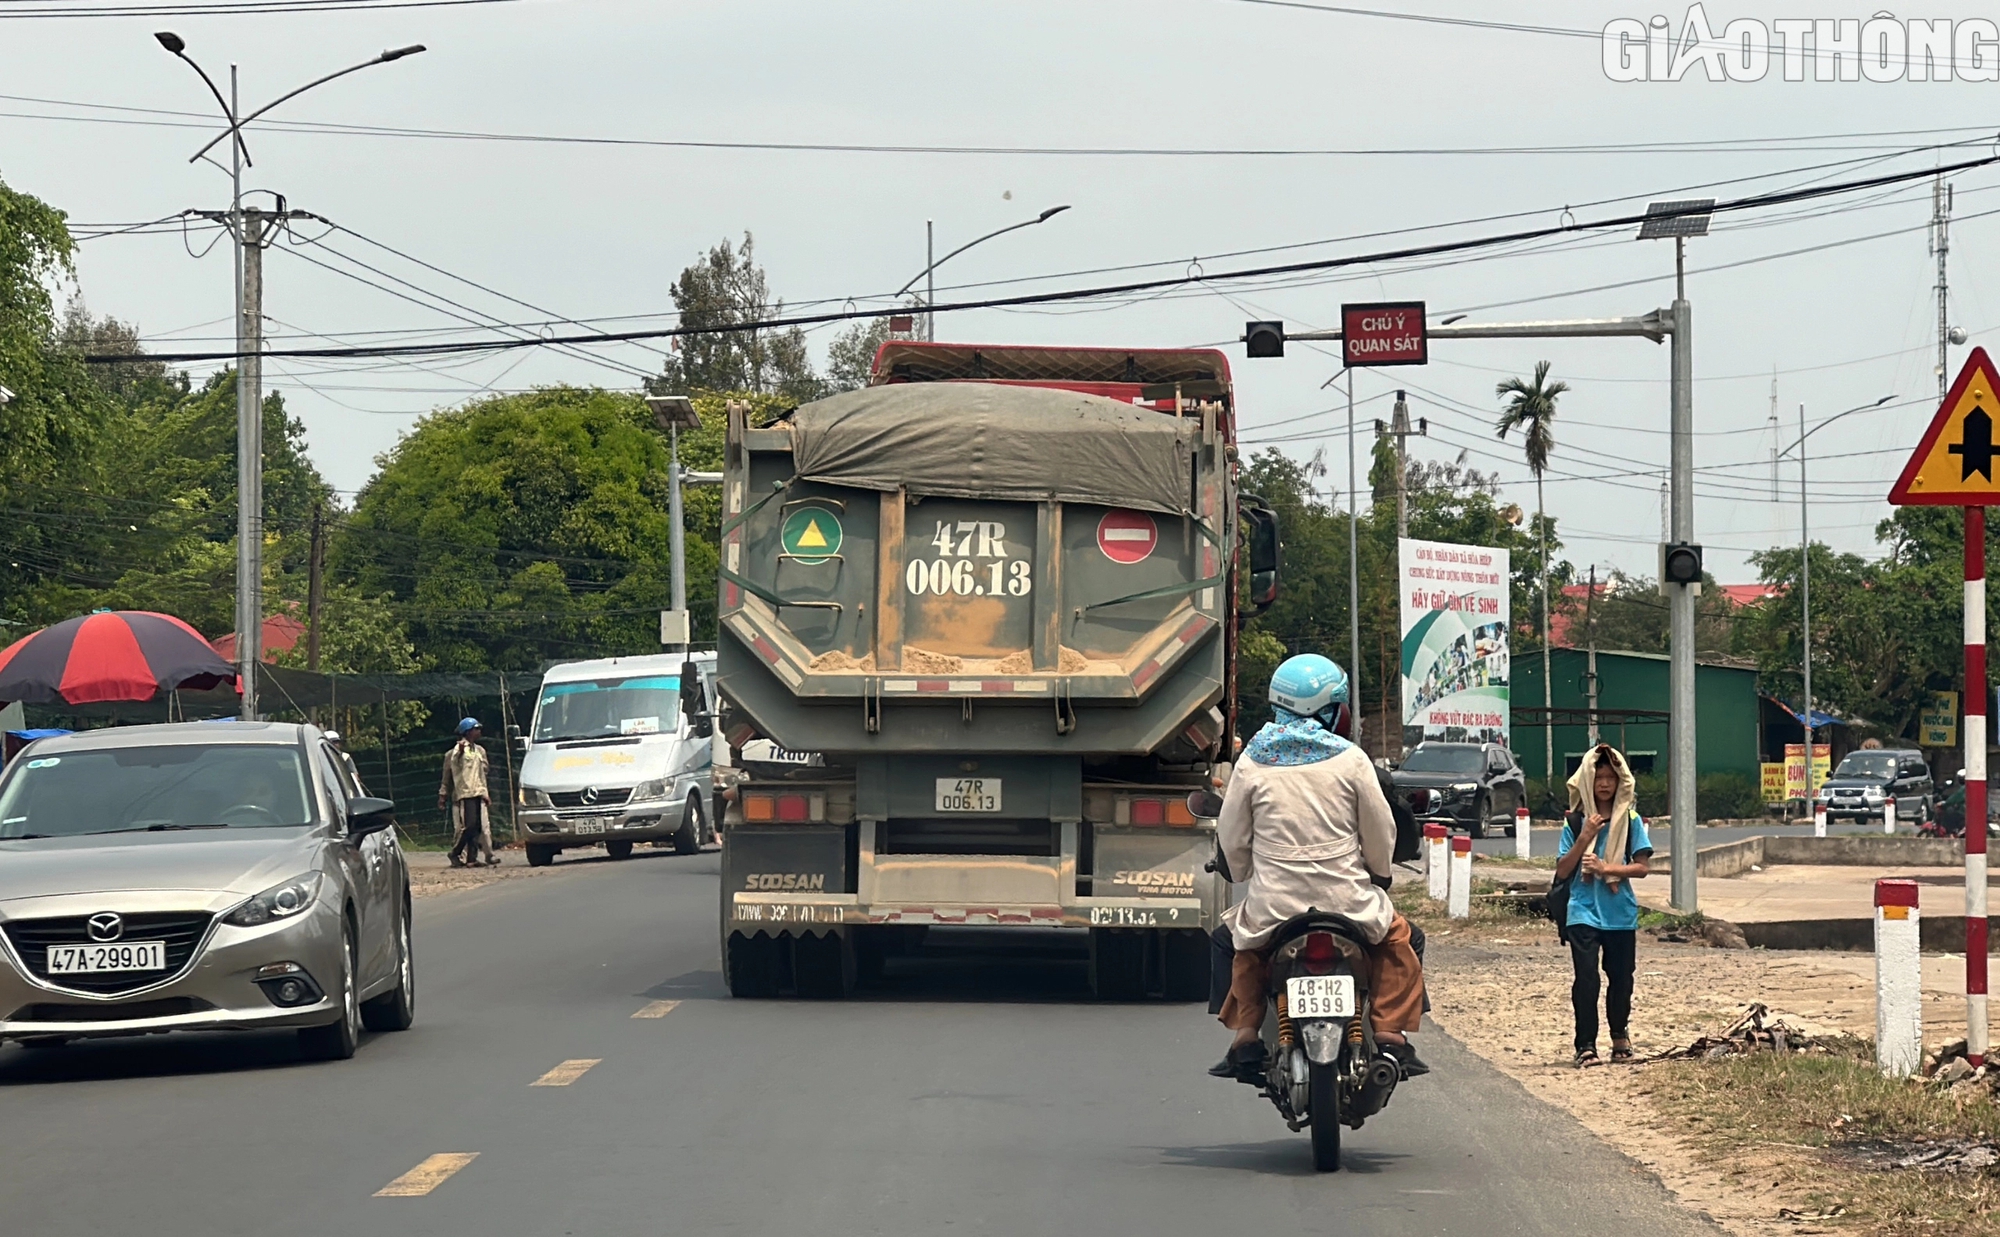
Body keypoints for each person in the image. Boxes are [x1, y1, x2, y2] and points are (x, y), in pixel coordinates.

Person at [1209, 653, 1428, 1082]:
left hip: (1274, 908)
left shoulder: (1253, 761)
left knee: (1238, 945)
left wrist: (1239, 873)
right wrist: (1379, 874)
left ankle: (1246, 1037)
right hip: (1347, 903)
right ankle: (1389, 1034)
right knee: (1401, 938)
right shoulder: (1351, 760)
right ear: (1331, 709)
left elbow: (1232, 839)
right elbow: (1380, 831)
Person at [1555, 743, 1654, 1066]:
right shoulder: (1575, 822)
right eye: (1598, 776)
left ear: (1621, 780)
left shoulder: (1631, 820)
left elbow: (1641, 867)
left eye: (1612, 776)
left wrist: (1606, 868)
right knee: (1587, 979)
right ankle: (1585, 1045)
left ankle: (1619, 1037)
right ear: (1587, 779)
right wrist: (1585, 836)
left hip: (1619, 913)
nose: (1605, 783)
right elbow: (1562, 869)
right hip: (1582, 910)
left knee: (1621, 978)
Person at [439, 717, 497, 868]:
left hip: (477, 791)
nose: (479, 731)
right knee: (469, 826)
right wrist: (443, 795)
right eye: (476, 729)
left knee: (477, 826)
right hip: (465, 792)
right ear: (468, 732)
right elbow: (454, 763)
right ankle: (455, 852)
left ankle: (472, 858)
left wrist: (484, 792)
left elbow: (481, 773)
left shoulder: (477, 750)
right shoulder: (458, 750)